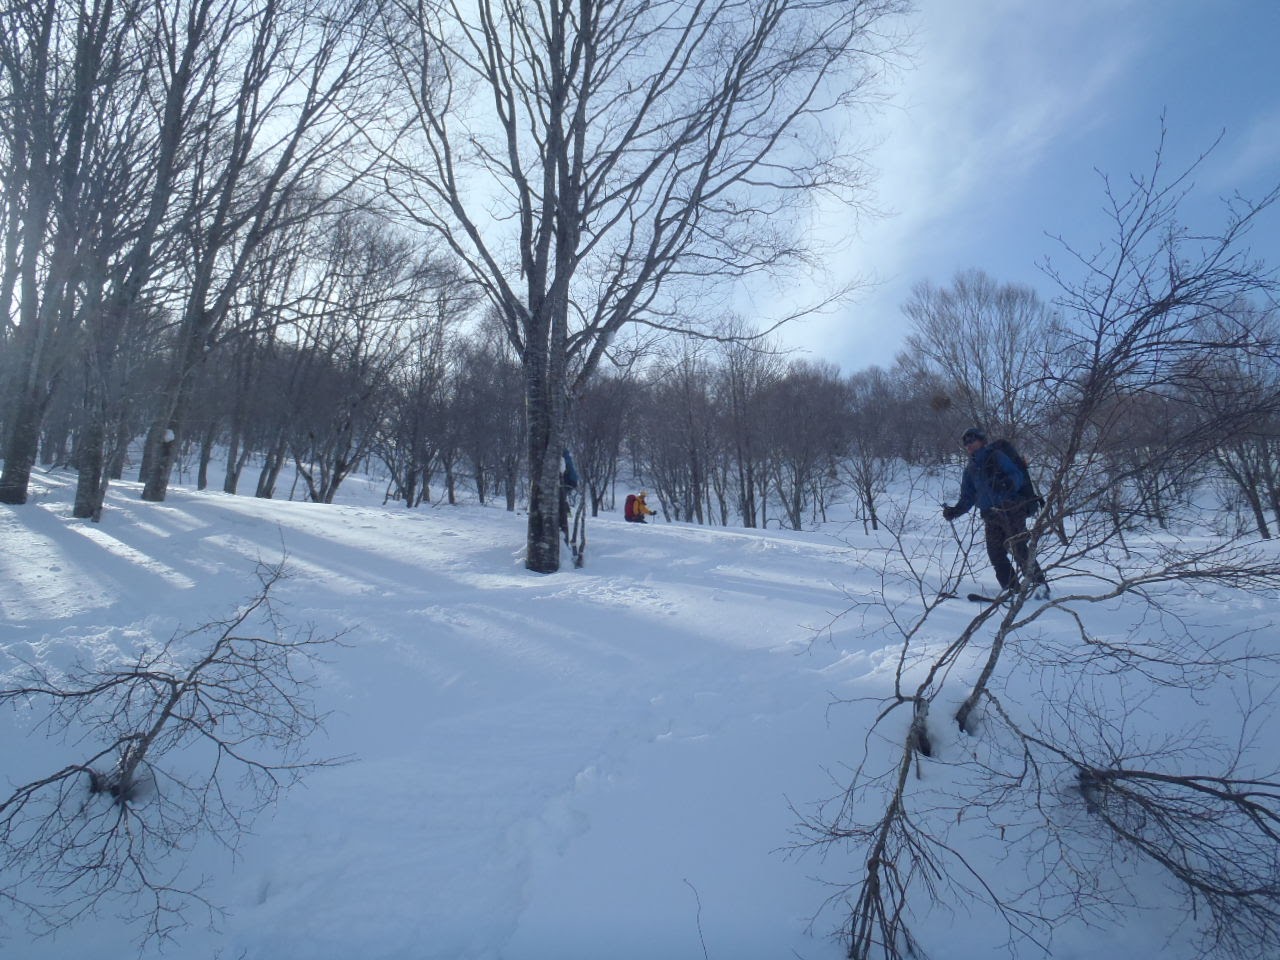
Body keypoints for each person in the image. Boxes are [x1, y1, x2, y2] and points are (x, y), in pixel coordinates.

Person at [942, 427, 1047, 597]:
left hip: (1010, 509)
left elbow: (1017, 475)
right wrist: (954, 511)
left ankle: (1040, 586)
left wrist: (1006, 484)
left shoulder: (997, 456)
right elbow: (967, 498)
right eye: (966, 443)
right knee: (996, 554)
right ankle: (1012, 589)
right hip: (990, 515)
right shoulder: (970, 469)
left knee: (1019, 548)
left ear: (982, 441)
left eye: (972, 441)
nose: (969, 445)